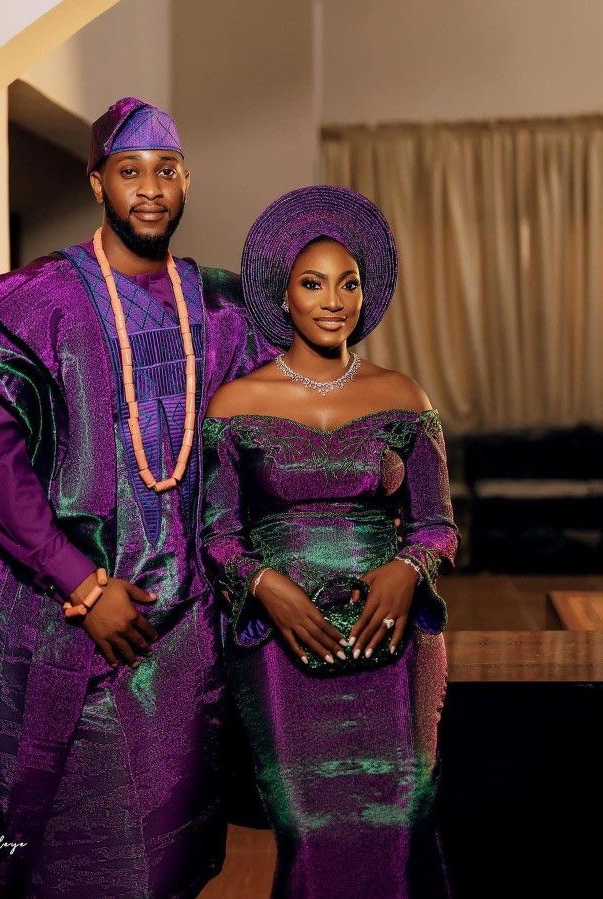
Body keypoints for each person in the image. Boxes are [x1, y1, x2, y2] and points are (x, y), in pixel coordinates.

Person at [0, 97, 275, 898]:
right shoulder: (41, 304)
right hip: (81, 629)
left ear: (186, 181)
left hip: (188, 641)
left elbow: (278, 423)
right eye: (129, 171)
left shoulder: (222, 309)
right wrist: (83, 582)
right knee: (85, 859)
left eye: (165, 171)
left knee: (175, 857)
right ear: (97, 181)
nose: (150, 188)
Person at [201, 186, 460, 898]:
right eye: (312, 283)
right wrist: (265, 585)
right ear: (282, 296)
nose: (333, 298)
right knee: (309, 836)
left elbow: (439, 523)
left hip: (397, 645)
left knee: (401, 824)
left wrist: (408, 568)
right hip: (283, 649)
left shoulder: (404, 393)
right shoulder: (237, 402)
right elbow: (216, 533)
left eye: (348, 282)